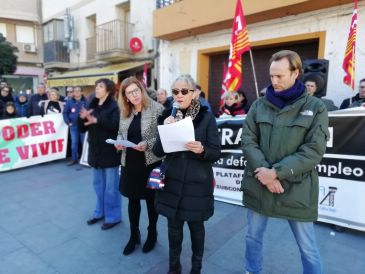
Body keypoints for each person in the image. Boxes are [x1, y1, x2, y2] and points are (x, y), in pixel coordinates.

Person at [241, 50, 329, 274]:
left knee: (308, 248)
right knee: (252, 237)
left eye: (280, 76)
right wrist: (266, 175)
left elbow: (313, 150)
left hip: (296, 190)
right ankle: (252, 271)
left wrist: (277, 173)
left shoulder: (316, 107)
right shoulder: (258, 106)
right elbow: (248, 141)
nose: (274, 81)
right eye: (271, 76)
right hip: (260, 185)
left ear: (296, 73)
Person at [153, 74, 221, 274]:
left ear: (194, 93)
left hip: (197, 184)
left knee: (196, 229)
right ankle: (174, 267)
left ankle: (196, 267)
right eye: (175, 92)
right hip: (172, 183)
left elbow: (216, 152)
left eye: (184, 91)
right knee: (174, 230)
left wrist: (202, 150)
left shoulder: (206, 118)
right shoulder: (167, 116)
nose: (179, 95)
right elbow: (157, 152)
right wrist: (165, 130)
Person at [116, 77, 163, 255]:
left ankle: (152, 234)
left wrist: (147, 144)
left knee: (152, 201)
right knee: (132, 200)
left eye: (136, 90)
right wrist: (119, 142)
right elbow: (120, 133)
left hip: (151, 163)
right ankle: (134, 236)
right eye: (129, 93)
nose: (134, 95)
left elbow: (162, 137)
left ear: (142, 90)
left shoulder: (157, 108)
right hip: (130, 163)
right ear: (125, 96)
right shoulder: (125, 111)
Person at [78, 78, 122, 230]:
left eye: (100, 86)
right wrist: (82, 119)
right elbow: (83, 128)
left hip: (109, 153)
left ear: (108, 90)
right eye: (96, 86)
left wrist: (97, 120)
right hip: (95, 153)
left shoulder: (114, 107)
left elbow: (115, 126)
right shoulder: (91, 105)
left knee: (111, 188)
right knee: (98, 186)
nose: (97, 89)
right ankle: (99, 212)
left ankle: (113, 216)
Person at [63, 86, 87, 166]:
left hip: (84, 126)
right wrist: (67, 122)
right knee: (74, 143)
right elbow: (65, 113)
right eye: (75, 91)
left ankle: (85, 159)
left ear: (82, 92)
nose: (76, 92)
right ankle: (74, 159)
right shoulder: (69, 102)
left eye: (78, 90)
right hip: (73, 126)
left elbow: (91, 112)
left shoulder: (86, 101)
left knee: (84, 142)